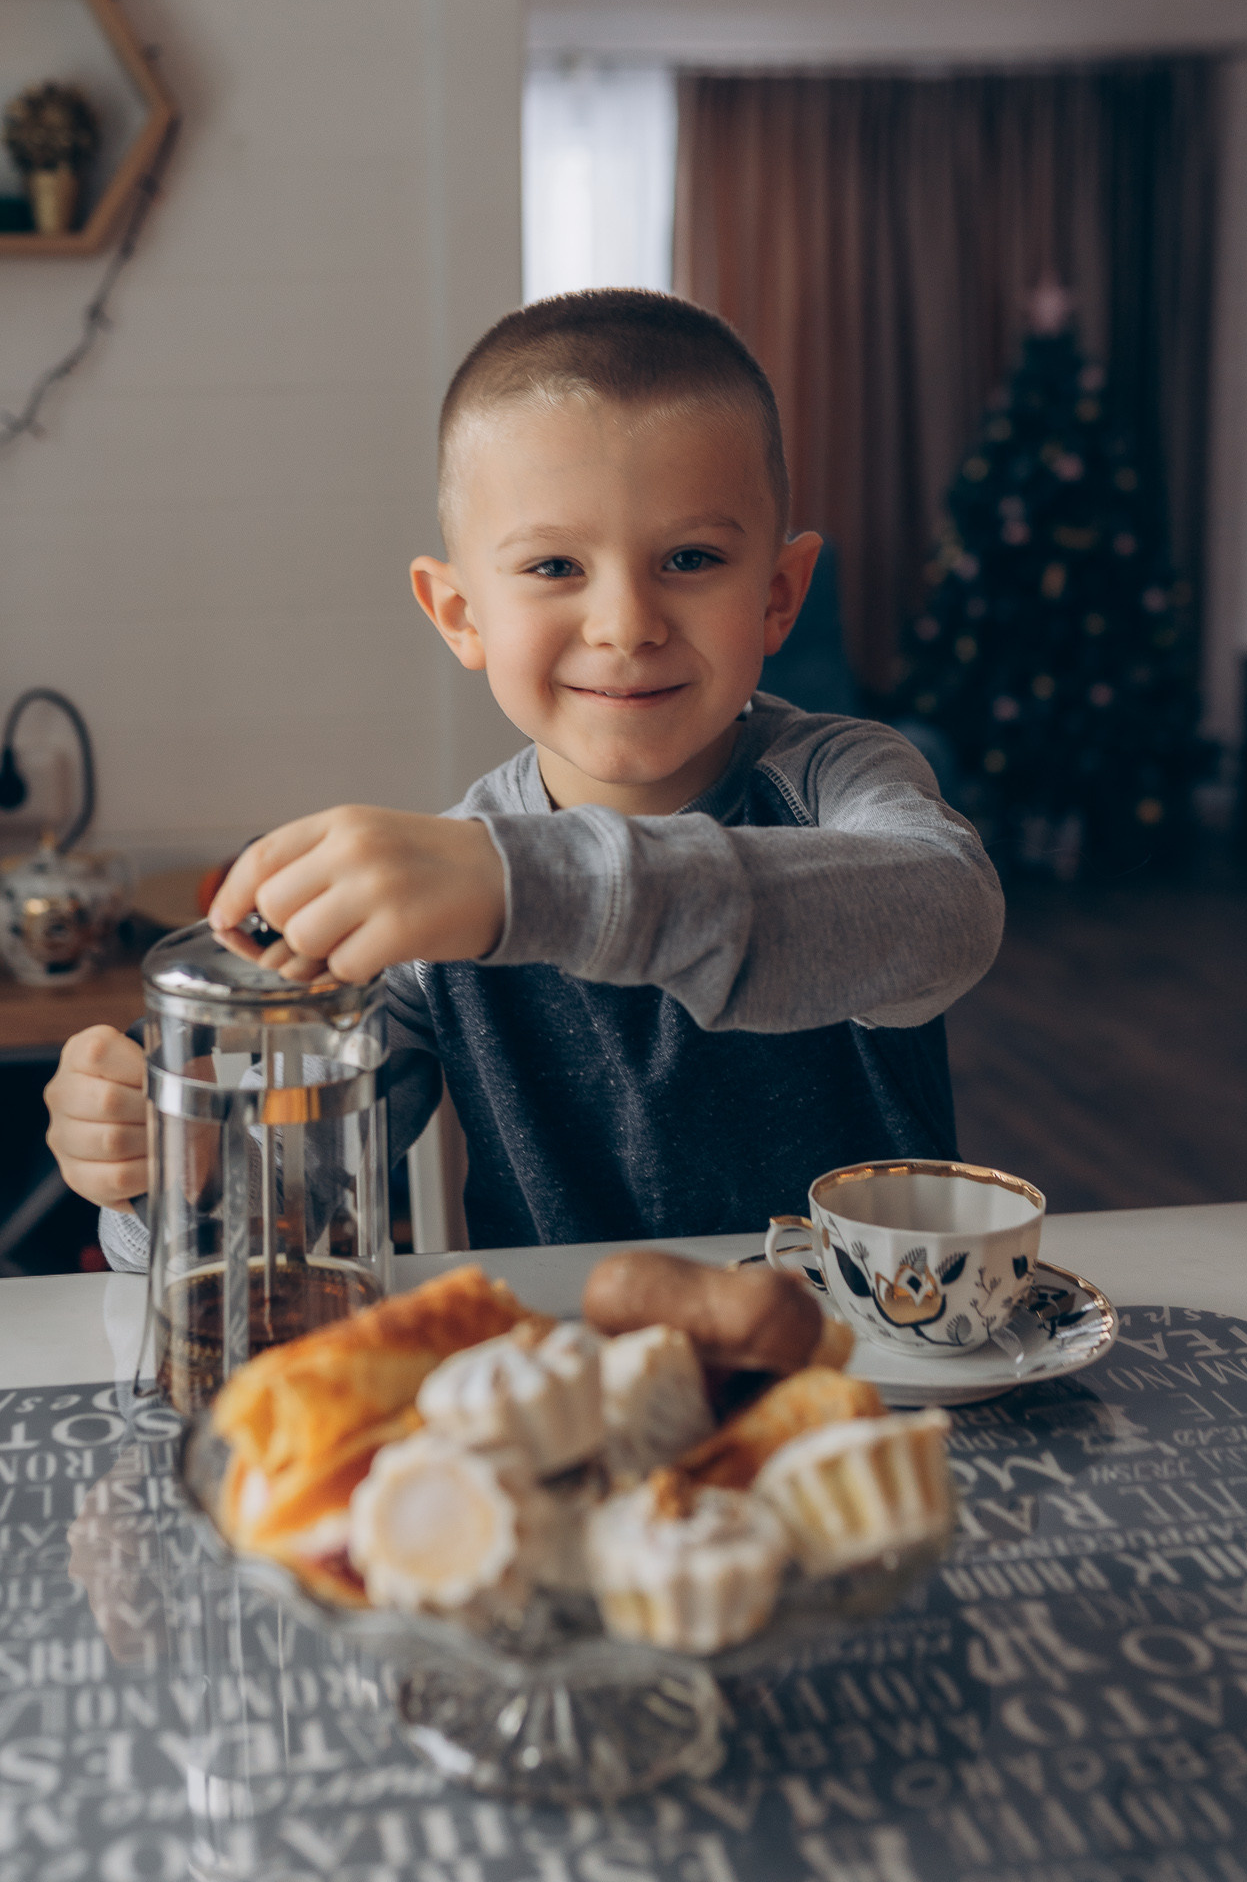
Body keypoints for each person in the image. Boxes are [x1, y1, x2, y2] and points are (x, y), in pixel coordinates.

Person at [45, 290, 1004, 1271]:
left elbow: (946, 912)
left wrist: (524, 887)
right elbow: (278, 1216)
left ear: (777, 595)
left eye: (689, 557)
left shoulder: (839, 780)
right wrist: (172, 1168)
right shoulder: (438, 908)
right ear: (459, 613)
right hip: (573, 1397)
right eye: (554, 564)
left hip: (877, 1387)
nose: (625, 622)